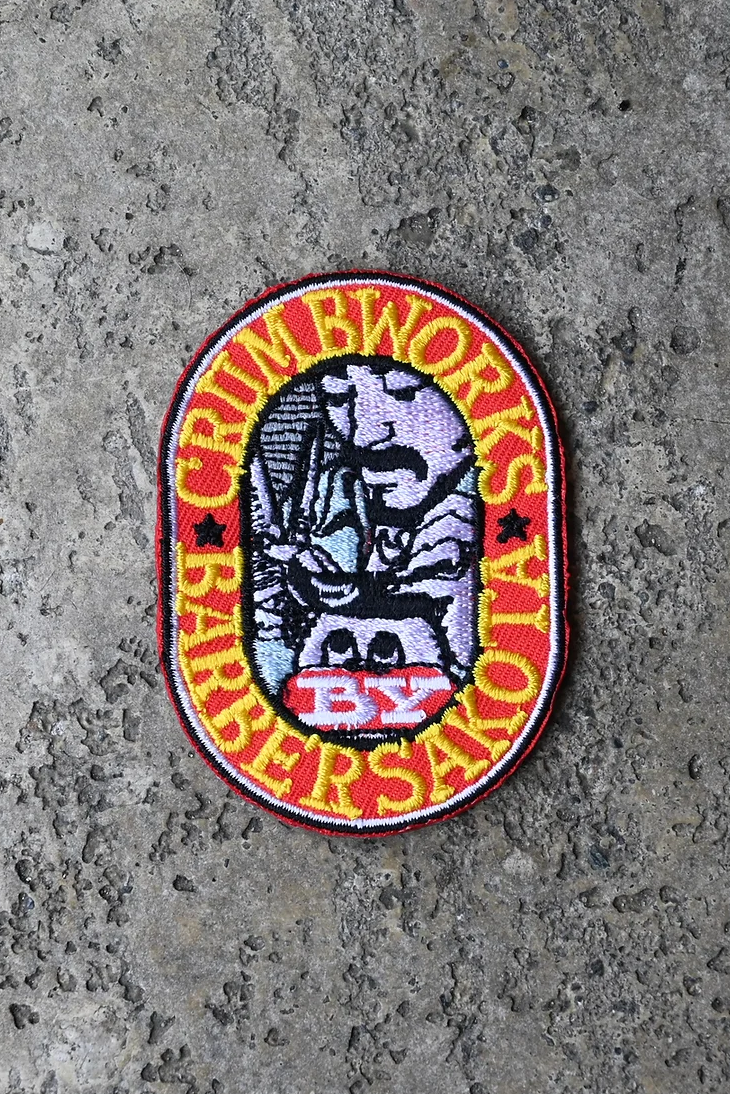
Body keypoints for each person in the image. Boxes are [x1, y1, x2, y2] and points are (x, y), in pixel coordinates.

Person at [249, 354, 479, 693]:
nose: (363, 432)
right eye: (339, 397)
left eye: (401, 389)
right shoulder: (331, 496)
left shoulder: (482, 518)